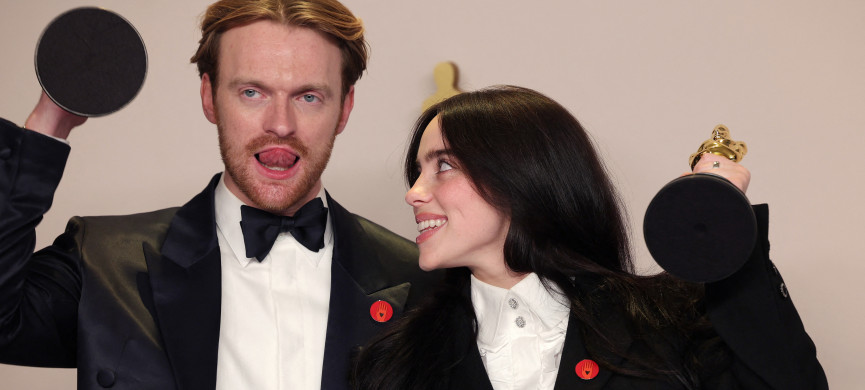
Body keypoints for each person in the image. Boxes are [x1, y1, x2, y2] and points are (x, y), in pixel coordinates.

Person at [0, 1, 439, 389]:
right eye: (252, 92)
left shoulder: (420, 282)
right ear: (209, 97)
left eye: (308, 97)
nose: (281, 124)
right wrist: (49, 124)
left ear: (344, 108)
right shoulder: (103, 262)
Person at [351, 85, 827, 390]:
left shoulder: (670, 322)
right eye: (417, 172)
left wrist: (720, 222)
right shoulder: (393, 364)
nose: (414, 193)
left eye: (444, 165)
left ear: (524, 175)